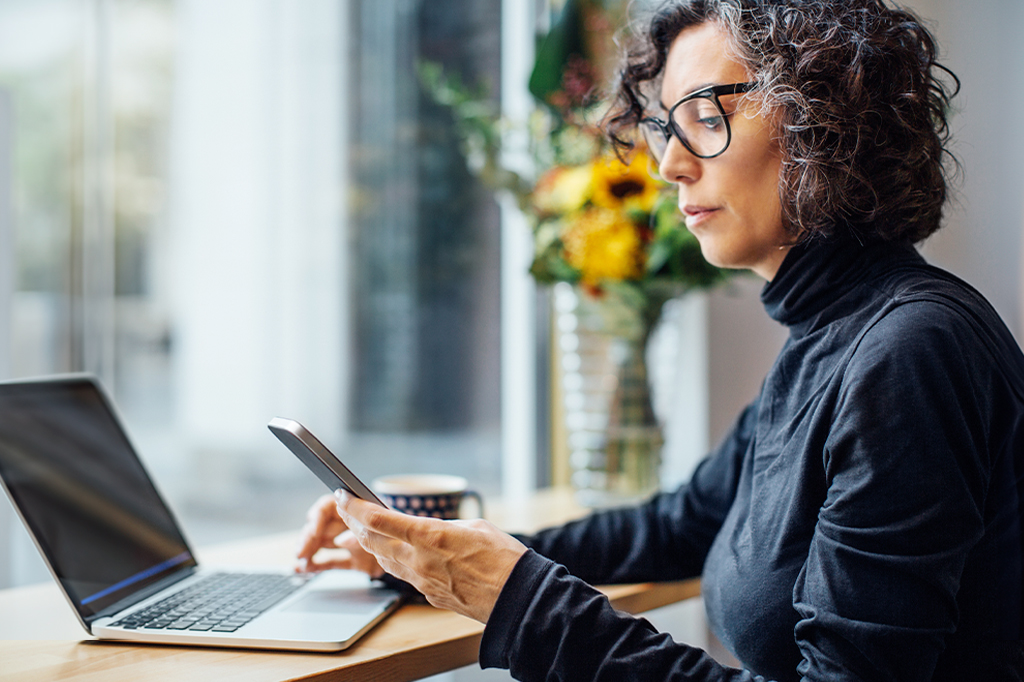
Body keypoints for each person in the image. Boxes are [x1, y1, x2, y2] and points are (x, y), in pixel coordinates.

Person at [296, 0, 1024, 679]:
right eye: (667, 128)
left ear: (827, 122)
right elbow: (677, 525)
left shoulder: (910, 352)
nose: (671, 164)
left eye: (706, 114)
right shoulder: (831, 336)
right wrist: (428, 557)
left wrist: (520, 602)